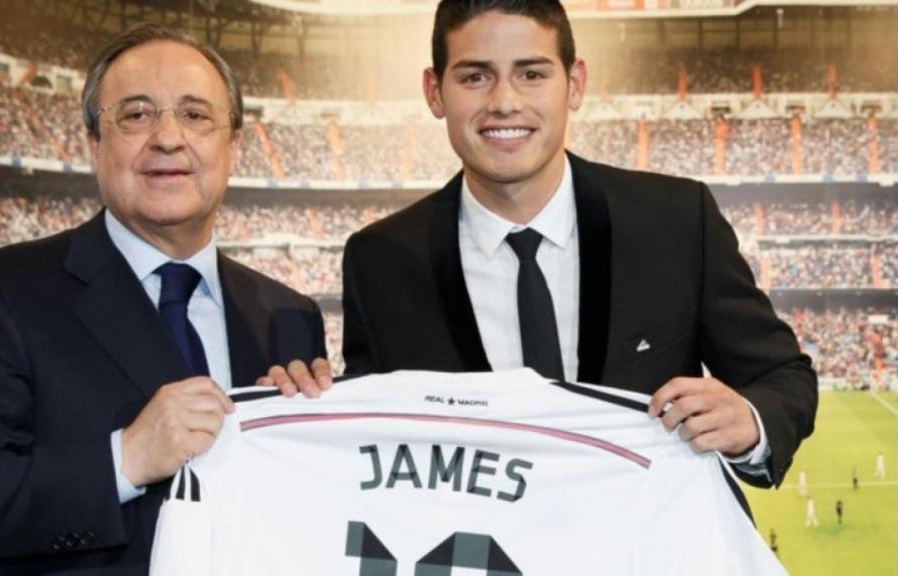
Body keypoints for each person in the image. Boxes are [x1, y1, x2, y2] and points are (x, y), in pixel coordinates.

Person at [278, 0, 817, 489]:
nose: (505, 102)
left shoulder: (676, 220)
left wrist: (750, 422)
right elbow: (376, 434)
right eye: (474, 77)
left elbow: (781, 377)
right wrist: (294, 410)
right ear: (434, 92)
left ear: (574, 84)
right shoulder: (381, 259)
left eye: (531, 73)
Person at [0, 24, 329, 575]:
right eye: (137, 114)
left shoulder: (290, 314)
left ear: (232, 145)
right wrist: (123, 459)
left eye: (195, 114)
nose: (169, 137)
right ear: (95, 143)